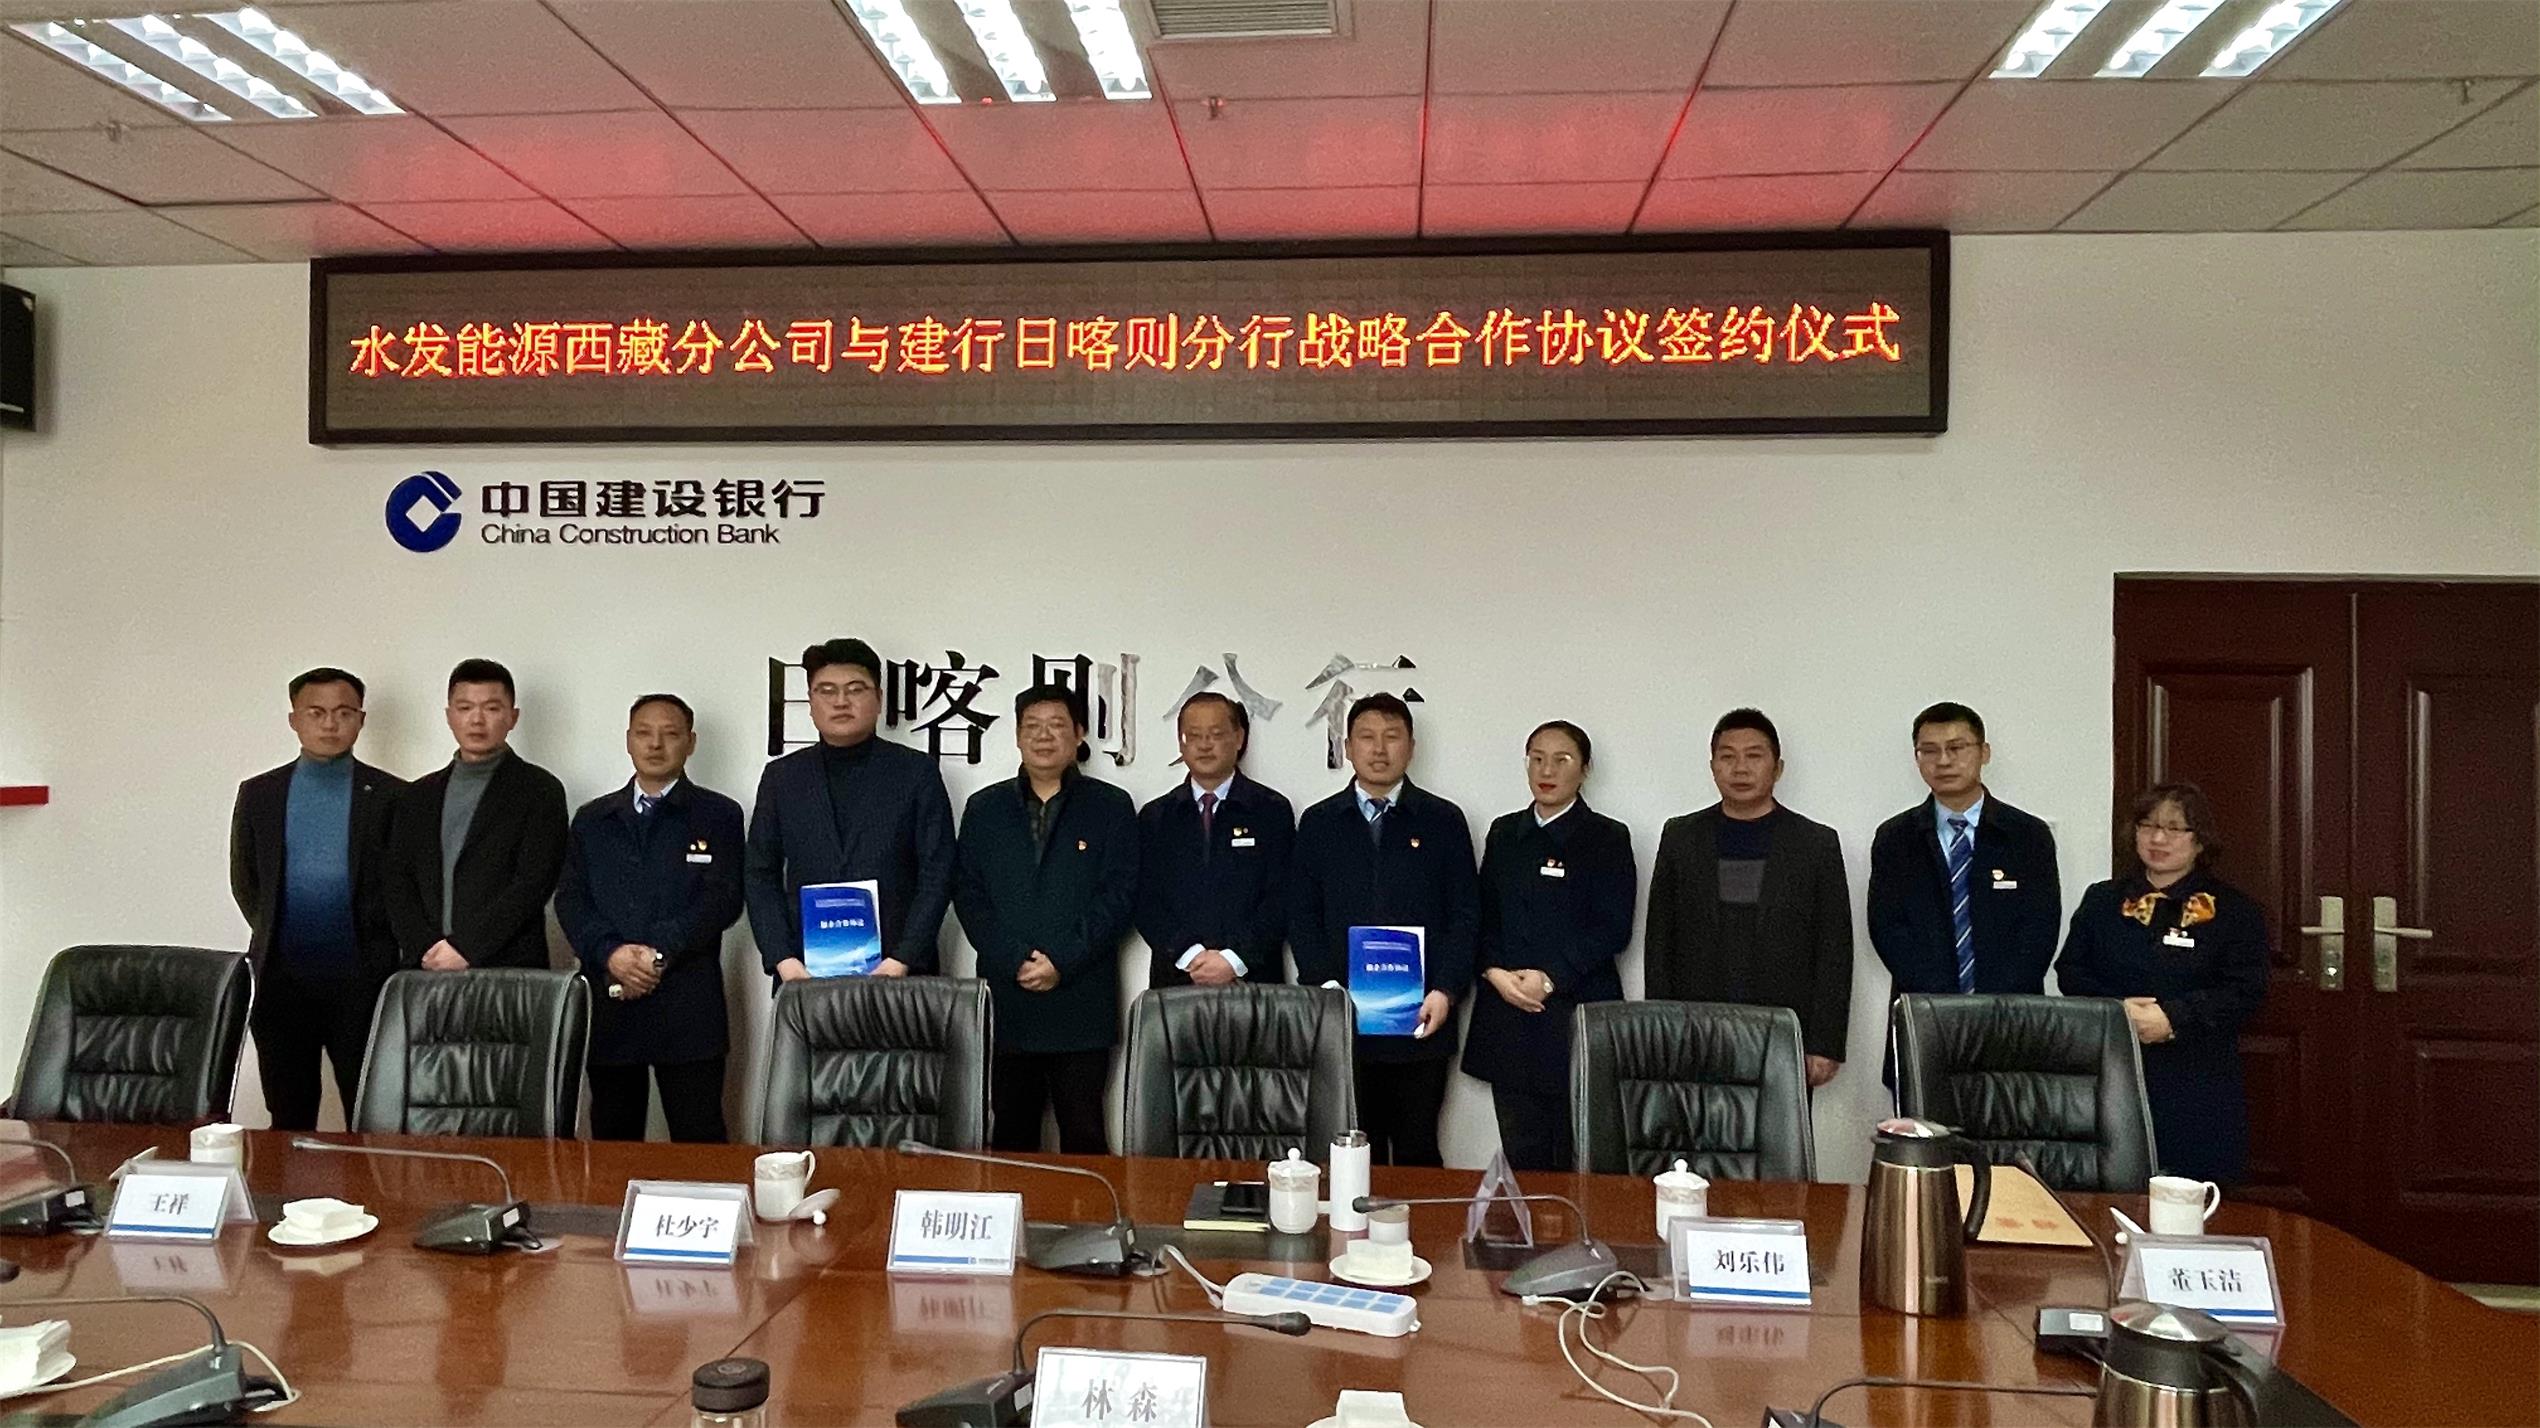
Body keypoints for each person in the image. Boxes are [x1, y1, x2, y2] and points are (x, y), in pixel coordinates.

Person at [1290, 693, 1479, 1167]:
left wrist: (1446, 990)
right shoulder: (1319, 822)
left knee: (1418, 1151)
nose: (1379, 749)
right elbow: (1301, 915)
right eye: (1367, 737)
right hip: (1344, 1020)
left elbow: (1465, 915)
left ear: (1411, 747)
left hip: (1422, 1019)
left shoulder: (1443, 820)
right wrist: (1328, 991)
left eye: (1392, 737)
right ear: (1348, 747)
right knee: (1352, 1156)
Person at [954, 684, 1138, 1154]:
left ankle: (1092, 1211)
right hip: (1007, 998)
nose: (1043, 736)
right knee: (1010, 1136)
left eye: (1056, 725)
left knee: (1085, 1134)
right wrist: (1014, 958)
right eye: (1031, 726)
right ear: (1017, 736)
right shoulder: (985, 808)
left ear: (1079, 734)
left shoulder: (1110, 806)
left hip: (1081, 999)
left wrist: (1062, 960)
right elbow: (969, 895)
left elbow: (1119, 896)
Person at [2054, 783, 2268, 1185]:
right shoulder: (2102, 900)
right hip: (2111, 1066)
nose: (2157, 839)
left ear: (2200, 840)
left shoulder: (2235, 912)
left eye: (2174, 828)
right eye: (2147, 826)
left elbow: (2244, 990)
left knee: (2191, 1191)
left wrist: (2172, 1018)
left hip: (2196, 1074)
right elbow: (2071, 971)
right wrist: (2119, 1010)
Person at [554, 694, 745, 1143]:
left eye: (670, 734)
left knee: (700, 1139)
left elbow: (722, 899)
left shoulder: (719, 814)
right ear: (628, 740)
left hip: (688, 1004)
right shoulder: (593, 819)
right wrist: (611, 954)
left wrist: (658, 952)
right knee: (613, 1141)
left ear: (691, 742)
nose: (656, 744)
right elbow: (571, 900)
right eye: (644, 733)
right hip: (611, 998)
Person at [229, 667, 407, 1130]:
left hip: (365, 981)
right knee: (288, 1116)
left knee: (373, 1115)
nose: (330, 724)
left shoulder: (392, 796)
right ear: (294, 719)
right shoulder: (260, 793)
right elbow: (245, 879)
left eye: (343, 713)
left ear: (361, 719)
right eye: (316, 713)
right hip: (281, 981)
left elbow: (403, 886)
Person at [1645, 708, 1854, 1091]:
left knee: (1782, 1131)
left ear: (1778, 767)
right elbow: (1659, 941)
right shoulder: (1680, 837)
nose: (1740, 768)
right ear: (1712, 767)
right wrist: (1661, 1030)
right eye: (1728, 756)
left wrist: (1824, 1043)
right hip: (1695, 1030)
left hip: (1784, 1030)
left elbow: (1834, 949)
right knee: (1696, 1129)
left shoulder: (1816, 843)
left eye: (1754, 756)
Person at [1459, 721, 1635, 1173]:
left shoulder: (1607, 837)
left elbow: (1613, 928)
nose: (1547, 770)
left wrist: (1550, 978)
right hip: (1507, 1013)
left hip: (1574, 1014)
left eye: (1562, 759)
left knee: (1581, 1158)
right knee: (1522, 1154)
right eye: (1537, 758)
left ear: (1585, 769)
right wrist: (1494, 972)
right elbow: (1482, 915)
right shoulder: (1505, 832)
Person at [745, 637, 956, 983]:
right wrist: (783, 959)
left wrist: (903, 958)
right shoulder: (782, 777)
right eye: (826, 691)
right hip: (804, 974)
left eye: (855, 689)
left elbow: (938, 870)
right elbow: (760, 874)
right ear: (810, 701)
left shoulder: (916, 771)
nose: (841, 701)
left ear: (879, 698)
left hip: (899, 974)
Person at [1868, 701, 2062, 999]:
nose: (1943, 761)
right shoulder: (1895, 838)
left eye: (1956, 748)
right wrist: (1943, 1002)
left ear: (1984, 753)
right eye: (1929, 751)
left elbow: (2040, 930)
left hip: (2011, 1009)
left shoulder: (2027, 835)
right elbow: (1888, 929)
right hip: (1924, 1007)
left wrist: (1992, 1004)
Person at [384, 659, 569, 971]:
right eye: (465, 707)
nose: (477, 719)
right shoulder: (417, 795)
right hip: (426, 967)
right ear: (449, 716)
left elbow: (534, 882)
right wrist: (424, 947)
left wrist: (467, 948)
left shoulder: (540, 790)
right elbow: (397, 880)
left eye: (492, 708)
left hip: (509, 968)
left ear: (513, 717)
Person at [1134, 692, 1293, 989]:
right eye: (1194, 735)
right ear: (1181, 742)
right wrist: (1190, 955)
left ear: (1239, 738)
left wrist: (1234, 959)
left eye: (1216, 734)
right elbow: (1145, 900)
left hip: (1254, 980)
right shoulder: (1156, 817)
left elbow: (1283, 895)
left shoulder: (1271, 810)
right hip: (1177, 980)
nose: (1205, 744)